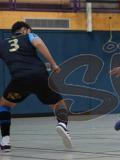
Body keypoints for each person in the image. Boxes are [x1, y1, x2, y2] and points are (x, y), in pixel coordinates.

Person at [0, 21, 72, 152]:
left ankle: (5, 141)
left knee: (4, 105)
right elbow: (39, 44)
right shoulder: (30, 35)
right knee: (58, 103)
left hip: (19, 80)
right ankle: (62, 124)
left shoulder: (2, 44)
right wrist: (53, 64)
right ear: (25, 29)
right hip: (40, 77)